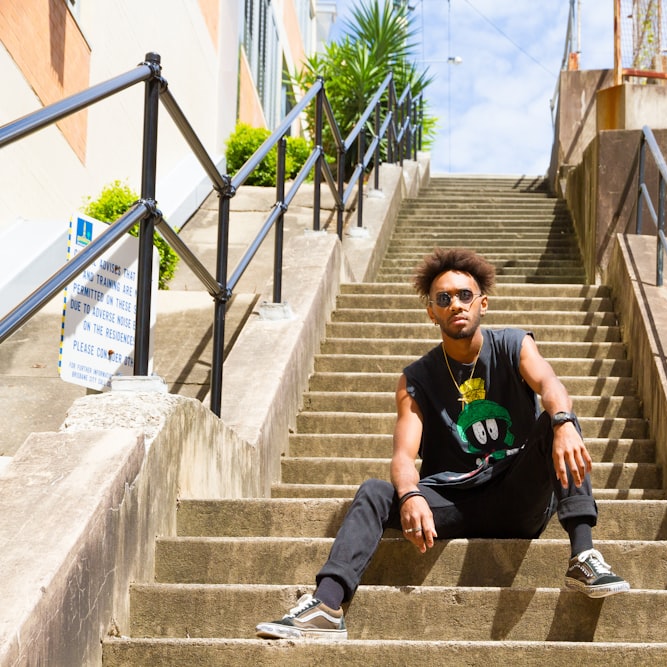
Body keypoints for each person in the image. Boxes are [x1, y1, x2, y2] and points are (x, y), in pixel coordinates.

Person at [256, 247, 629, 641]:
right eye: (443, 298)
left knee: (558, 420)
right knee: (374, 492)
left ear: (482, 303)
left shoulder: (514, 344)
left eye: (465, 295)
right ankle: (328, 606)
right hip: (453, 503)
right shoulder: (416, 378)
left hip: (517, 497)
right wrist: (409, 494)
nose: (456, 304)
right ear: (431, 311)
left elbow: (550, 384)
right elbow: (402, 457)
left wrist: (565, 423)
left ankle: (583, 555)